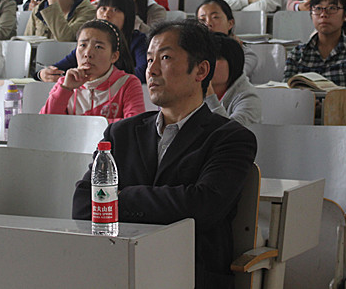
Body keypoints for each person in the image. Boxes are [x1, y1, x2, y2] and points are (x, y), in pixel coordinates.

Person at [72, 20, 257, 287]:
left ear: (201, 70)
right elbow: (82, 203)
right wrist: (164, 200)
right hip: (117, 270)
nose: (152, 70)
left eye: (165, 58)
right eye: (149, 60)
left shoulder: (231, 138)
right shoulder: (121, 133)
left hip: (190, 275)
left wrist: (120, 197)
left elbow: (203, 206)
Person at [40, 19, 143, 122]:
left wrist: (83, 125)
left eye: (98, 47)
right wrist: (65, 89)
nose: (88, 53)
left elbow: (134, 124)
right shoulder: (65, 83)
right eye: (83, 45)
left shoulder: (127, 83)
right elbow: (46, 123)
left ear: (114, 56)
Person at [38, 0, 148, 83]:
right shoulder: (89, 43)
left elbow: (143, 73)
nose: (106, 14)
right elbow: (58, 68)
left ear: (127, 15)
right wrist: (42, 74)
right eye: (103, 8)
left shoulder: (138, 41)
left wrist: (101, 79)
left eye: (115, 10)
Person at [204, 32, 261, 126]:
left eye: (215, 59)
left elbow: (231, 133)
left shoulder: (249, 100)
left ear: (233, 63)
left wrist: (210, 98)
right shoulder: (193, 91)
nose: (206, 66)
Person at [196, 0, 259, 81]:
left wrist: (235, 52)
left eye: (215, 17)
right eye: (202, 20)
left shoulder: (246, 54)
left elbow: (234, 75)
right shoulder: (191, 51)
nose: (208, 23)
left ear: (230, 23)